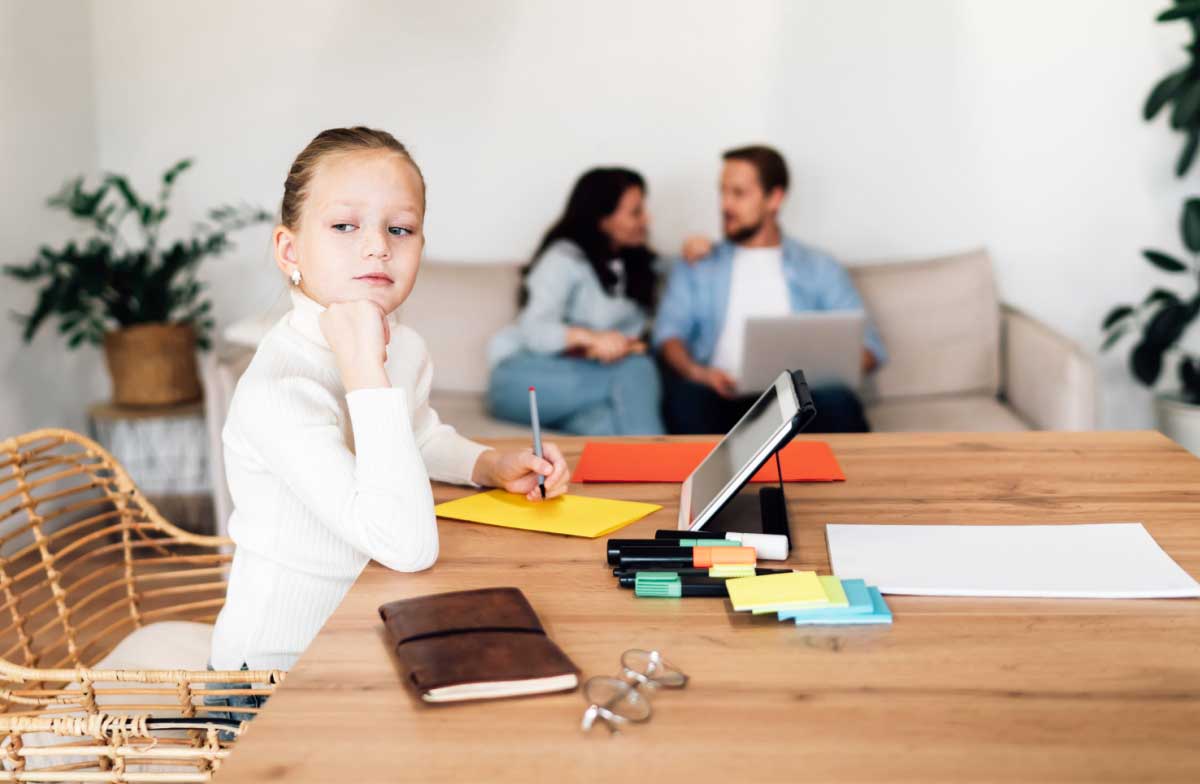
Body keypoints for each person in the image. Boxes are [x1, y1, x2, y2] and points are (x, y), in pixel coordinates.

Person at [208, 127, 571, 716]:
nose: (377, 247)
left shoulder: (402, 346)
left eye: (399, 229)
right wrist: (360, 369)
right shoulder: (278, 389)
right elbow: (405, 545)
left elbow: (417, 435)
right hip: (273, 678)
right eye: (345, 226)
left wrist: (490, 464)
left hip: (369, 628)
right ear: (289, 251)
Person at [653, 145, 886, 434]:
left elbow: (871, 348)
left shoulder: (820, 267)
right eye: (722, 192)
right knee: (685, 400)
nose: (725, 204)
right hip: (718, 395)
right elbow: (668, 333)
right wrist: (697, 373)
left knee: (839, 404)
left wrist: (825, 367)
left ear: (774, 198)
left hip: (795, 402)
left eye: (738, 193)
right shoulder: (699, 262)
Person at [487, 168, 667, 435]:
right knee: (637, 371)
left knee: (606, 426)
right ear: (603, 218)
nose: (647, 219)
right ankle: (667, 470)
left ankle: (649, 471)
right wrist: (591, 339)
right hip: (523, 379)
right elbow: (534, 331)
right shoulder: (564, 259)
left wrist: (697, 252)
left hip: (585, 384)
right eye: (635, 212)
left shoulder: (639, 266)